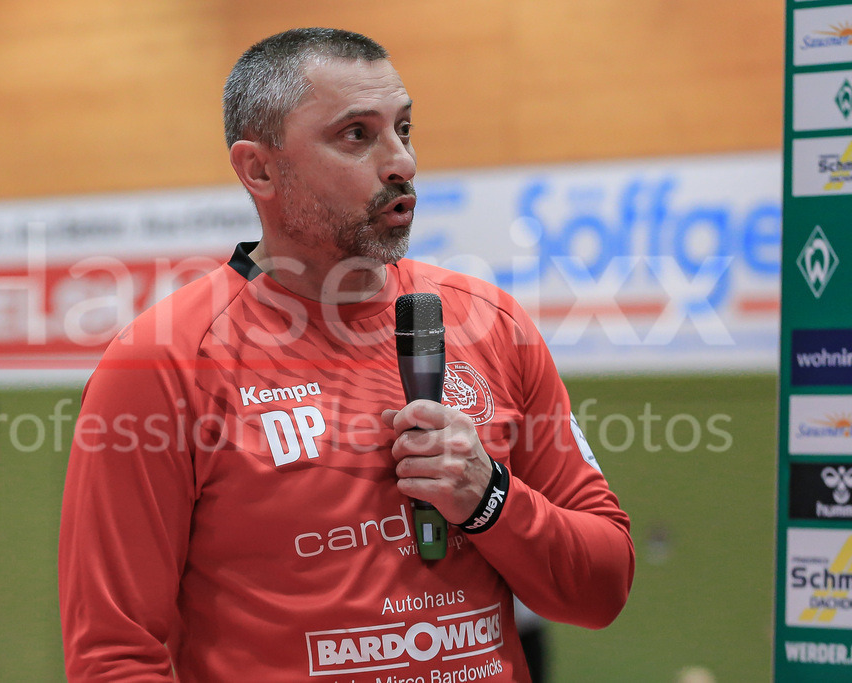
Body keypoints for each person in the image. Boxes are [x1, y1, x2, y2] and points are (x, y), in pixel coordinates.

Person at [59, 27, 634, 682]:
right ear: (259, 168)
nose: (402, 162)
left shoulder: (492, 324)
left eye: (405, 128)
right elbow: (115, 656)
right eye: (357, 135)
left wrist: (490, 499)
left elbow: (603, 585)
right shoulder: (162, 363)